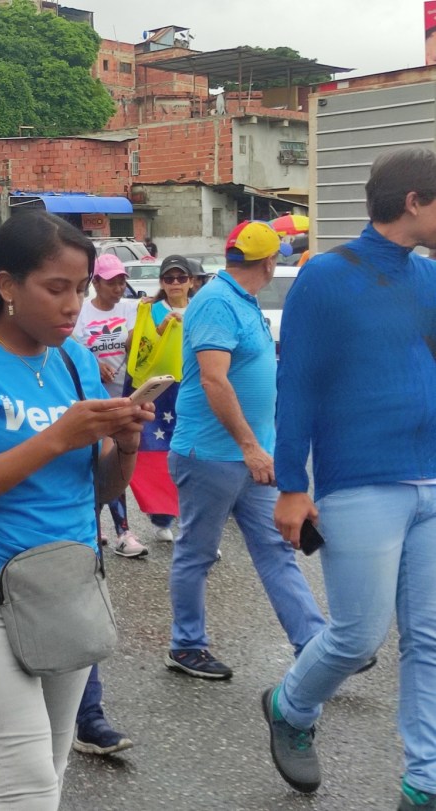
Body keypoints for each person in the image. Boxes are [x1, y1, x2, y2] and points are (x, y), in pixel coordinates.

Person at [0, 211, 149, 805]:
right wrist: (55, 439)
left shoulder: (76, 363)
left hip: (67, 580)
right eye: (56, 288)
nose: (74, 305)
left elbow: (97, 491)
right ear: (8, 286)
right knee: (28, 779)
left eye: (81, 287)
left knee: (53, 763)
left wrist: (126, 447)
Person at [263, 147, 436, 807]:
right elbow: (296, 383)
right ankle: (289, 705)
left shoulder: (428, 281)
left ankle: (423, 780)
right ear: (413, 202)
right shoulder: (324, 277)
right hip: (359, 479)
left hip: (430, 481)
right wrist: (289, 484)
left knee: (427, 637)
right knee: (358, 633)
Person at [165, 222, 325, 681]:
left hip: (246, 456)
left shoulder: (241, 301)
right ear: (271, 261)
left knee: (276, 548)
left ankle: (315, 644)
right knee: (197, 552)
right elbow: (214, 379)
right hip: (212, 455)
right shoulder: (217, 301)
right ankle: (186, 645)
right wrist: (251, 447)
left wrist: (262, 447)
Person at [72, 253, 146, 559]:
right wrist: (94, 363)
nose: (118, 288)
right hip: (95, 401)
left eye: (122, 282)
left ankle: (114, 529)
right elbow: (72, 350)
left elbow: (137, 341)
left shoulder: (131, 309)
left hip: (125, 396)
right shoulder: (82, 314)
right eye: (112, 282)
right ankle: (115, 530)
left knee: (115, 464)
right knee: (101, 463)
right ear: (96, 283)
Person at [128, 255, 194, 543]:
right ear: (162, 283)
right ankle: (162, 514)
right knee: (158, 450)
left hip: (192, 387)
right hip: (161, 391)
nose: (175, 283)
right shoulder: (152, 310)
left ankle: (191, 521)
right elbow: (137, 347)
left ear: (192, 281)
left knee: (192, 453)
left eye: (181, 278)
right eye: (169, 278)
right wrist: (161, 327)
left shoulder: (200, 309)